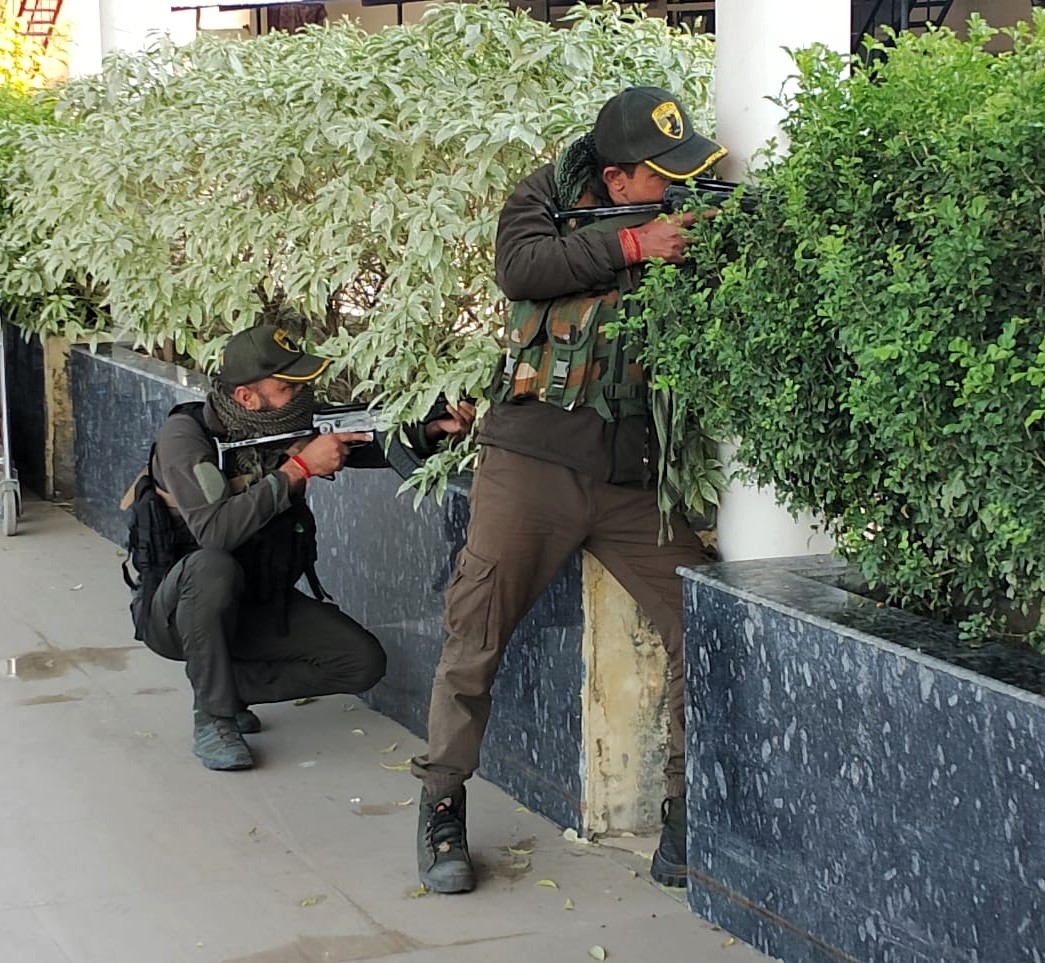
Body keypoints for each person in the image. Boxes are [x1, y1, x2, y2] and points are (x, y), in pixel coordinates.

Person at [410, 86, 726, 893]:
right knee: (473, 637)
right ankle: (441, 806)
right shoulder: (541, 197)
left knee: (703, 622)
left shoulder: (671, 207)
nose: (674, 191)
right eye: (660, 177)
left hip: (627, 478)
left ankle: (682, 818)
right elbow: (521, 269)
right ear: (618, 181)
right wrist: (635, 249)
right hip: (531, 464)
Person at [125, 309, 473, 771]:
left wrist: (431, 429)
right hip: (175, 611)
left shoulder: (277, 426)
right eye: (286, 388)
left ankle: (221, 683)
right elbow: (214, 532)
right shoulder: (186, 438)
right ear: (247, 396)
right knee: (212, 566)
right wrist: (299, 469)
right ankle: (214, 713)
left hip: (258, 602)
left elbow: (361, 443)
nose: (299, 396)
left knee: (360, 662)